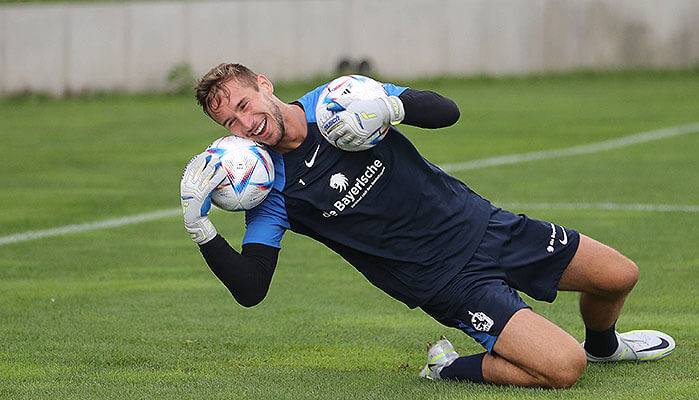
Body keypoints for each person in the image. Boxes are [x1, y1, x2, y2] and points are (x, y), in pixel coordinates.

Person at [179, 63, 675, 388]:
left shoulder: (341, 98)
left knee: (619, 276)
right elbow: (251, 288)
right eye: (230, 124)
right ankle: (448, 366)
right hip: (446, 282)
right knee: (564, 369)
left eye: (244, 106)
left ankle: (605, 346)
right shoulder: (266, 190)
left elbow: (448, 112)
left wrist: (393, 107)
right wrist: (201, 228)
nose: (246, 125)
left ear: (264, 85)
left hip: (485, 224)